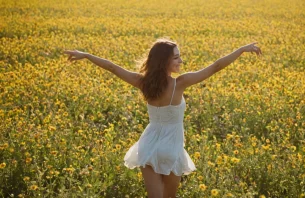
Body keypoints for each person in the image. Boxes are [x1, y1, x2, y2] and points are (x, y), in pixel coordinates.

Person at [64, 38, 262, 198]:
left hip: (148, 146)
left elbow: (113, 68)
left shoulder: (142, 82)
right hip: (172, 148)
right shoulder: (180, 83)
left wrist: (87, 55)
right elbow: (216, 66)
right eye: (176, 58)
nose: (181, 61)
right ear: (164, 60)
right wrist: (241, 50)